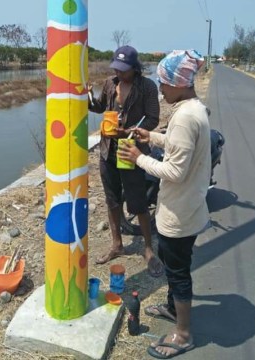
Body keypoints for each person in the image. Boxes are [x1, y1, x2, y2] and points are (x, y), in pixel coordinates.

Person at [117, 49, 210, 359]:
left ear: (180, 84)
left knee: (179, 273)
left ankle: (183, 335)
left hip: (179, 213)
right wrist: (152, 137)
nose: (161, 89)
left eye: (165, 83)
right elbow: (177, 144)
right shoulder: (194, 109)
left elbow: (174, 171)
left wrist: (139, 157)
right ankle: (172, 309)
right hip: (190, 206)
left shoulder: (185, 117)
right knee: (175, 267)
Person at [87, 45, 164, 277]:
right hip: (108, 150)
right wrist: (88, 96)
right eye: (117, 69)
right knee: (112, 199)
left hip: (131, 149)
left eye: (124, 70)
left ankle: (149, 249)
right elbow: (101, 107)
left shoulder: (147, 87)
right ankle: (117, 244)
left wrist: (128, 131)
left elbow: (152, 119)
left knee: (137, 199)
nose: (119, 73)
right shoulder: (111, 84)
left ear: (134, 67)